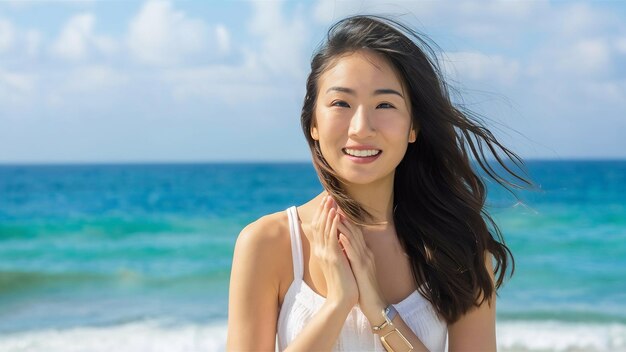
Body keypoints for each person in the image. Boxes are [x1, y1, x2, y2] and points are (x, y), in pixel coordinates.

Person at [227, 14, 530, 352]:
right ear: (312, 122)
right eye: (341, 103)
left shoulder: (460, 248)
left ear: (413, 127)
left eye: (384, 104)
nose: (361, 127)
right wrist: (337, 304)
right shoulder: (268, 243)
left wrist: (378, 312)